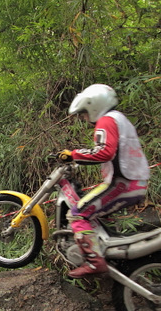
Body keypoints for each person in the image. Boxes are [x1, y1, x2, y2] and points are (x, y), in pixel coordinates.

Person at [56, 84, 150, 278]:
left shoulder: (106, 121)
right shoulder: (120, 119)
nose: (84, 118)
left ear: (93, 106)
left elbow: (104, 152)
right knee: (92, 211)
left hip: (123, 183)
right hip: (135, 181)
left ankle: (94, 262)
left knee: (78, 214)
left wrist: (73, 155)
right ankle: (104, 249)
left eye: (84, 113)